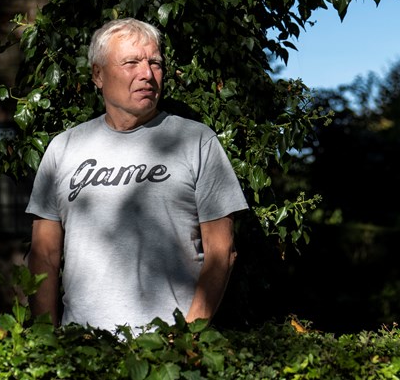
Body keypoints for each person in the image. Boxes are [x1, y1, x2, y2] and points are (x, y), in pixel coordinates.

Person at [26, 18, 248, 333]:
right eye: (131, 62)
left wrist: (187, 339)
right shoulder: (64, 148)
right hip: (82, 348)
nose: (147, 74)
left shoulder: (196, 141)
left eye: (155, 63)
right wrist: (46, 339)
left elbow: (221, 251)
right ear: (98, 74)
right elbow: (43, 254)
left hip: (171, 349)